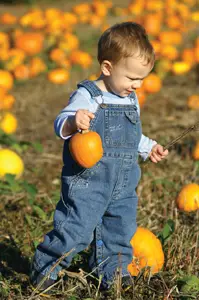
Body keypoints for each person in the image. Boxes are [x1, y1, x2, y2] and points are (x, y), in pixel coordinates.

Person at [30, 22, 169, 291]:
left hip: (124, 182)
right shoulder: (89, 95)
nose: (137, 85)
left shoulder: (129, 98)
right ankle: (46, 269)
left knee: (121, 229)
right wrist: (74, 121)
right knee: (76, 228)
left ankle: (112, 274)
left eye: (142, 79)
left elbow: (130, 136)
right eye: (131, 78)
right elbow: (60, 124)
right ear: (107, 68)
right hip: (88, 182)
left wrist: (148, 147)